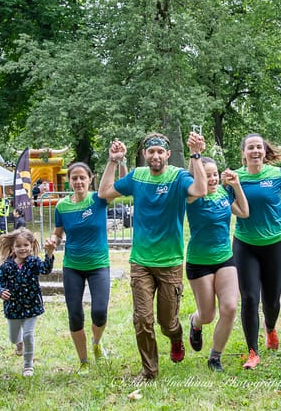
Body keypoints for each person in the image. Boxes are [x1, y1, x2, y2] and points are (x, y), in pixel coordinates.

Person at [98, 131, 207, 381]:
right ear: (145, 155)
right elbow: (104, 192)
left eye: (160, 151)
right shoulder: (137, 176)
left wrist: (196, 155)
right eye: (151, 151)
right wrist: (113, 161)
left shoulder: (178, 176)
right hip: (141, 262)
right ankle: (150, 372)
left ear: (167, 154)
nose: (155, 155)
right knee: (142, 319)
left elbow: (200, 190)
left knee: (167, 323)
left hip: (170, 262)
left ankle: (177, 337)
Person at [233, 133, 281, 369]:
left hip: (276, 244)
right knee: (249, 298)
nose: (255, 151)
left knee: (271, 300)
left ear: (265, 152)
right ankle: (253, 352)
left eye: (259, 147)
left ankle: (271, 327)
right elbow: (225, 203)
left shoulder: (278, 175)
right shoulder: (235, 177)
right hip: (245, 244)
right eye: (250, 147)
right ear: (244, 152)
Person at [51, 161, 124, 373]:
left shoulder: (99, 199)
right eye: (74, 178)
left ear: (90, 179)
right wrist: (52, 241)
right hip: (72, 266)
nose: (78, 181)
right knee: (75, 315)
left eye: (82, 177)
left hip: (98, 264)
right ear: (69, 181)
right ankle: (83, 361)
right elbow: (58, 232)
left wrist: (114, 161)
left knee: (100, 312)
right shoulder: (62, 206)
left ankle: (96, 343)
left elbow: (120, 186)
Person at [185, 157, 249, 372]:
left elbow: (244, 212)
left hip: (225, 258)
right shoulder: (192, 196)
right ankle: (195, 322)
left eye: (214, 174)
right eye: (207, 174)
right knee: (207, 315)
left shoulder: (224, 193)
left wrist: (236, 185)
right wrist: (195, 156)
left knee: (230, 308)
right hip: (199, 262)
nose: (212, 179)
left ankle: (215, 357)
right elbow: (198, 187)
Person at [0, 228, 56, 377]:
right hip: (13, 308)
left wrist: (50, 253)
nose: (22, 249)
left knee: (28, 335)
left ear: (31, 245)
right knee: (14, 337)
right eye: (19, 246)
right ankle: (18, 344)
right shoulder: (6, 266)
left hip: (31, 306)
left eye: (26, 245)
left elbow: (45, 269)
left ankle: (28, 365)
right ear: (13, 248)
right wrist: (0, 291)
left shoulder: (33, 262)